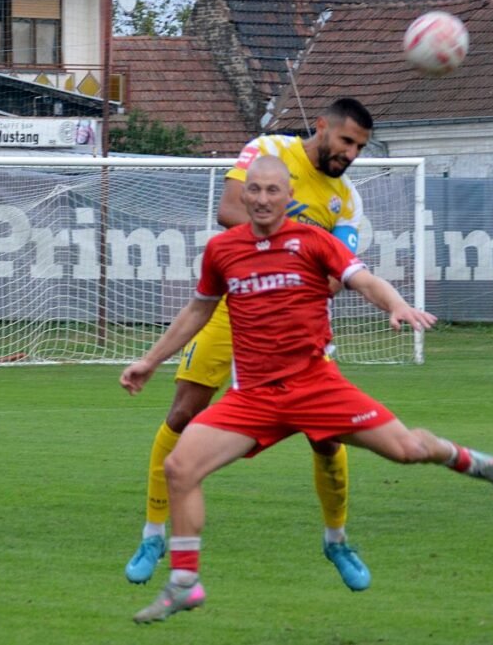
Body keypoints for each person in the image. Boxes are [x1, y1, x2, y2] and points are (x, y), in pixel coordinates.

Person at [121, 155, 493, 624]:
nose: (263, 199)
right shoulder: (222, 249)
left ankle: (463, 458)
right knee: (180, 466)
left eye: (273, 190)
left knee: (409, 450)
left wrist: (396, 305)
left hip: (315, 387)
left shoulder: (314, 241)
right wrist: (150, 361)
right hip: (253, 397)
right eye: (255, 190)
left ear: (289, 196)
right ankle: (184, 582)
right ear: (243, 194)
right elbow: (198, 310)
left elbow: (364, 280)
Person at [124, 98, 377, 591]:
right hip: (235, 303)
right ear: (322, 127)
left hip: (298, 325)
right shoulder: (268, 150)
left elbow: (336, 275)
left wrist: (299, 265)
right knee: (182, 414)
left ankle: (337, 540)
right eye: (346, 141)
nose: (351, 154)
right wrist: (283, 253)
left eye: (359, 148)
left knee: (326, 437)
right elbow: (229, 210)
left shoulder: (346, 200)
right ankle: (153, 534)